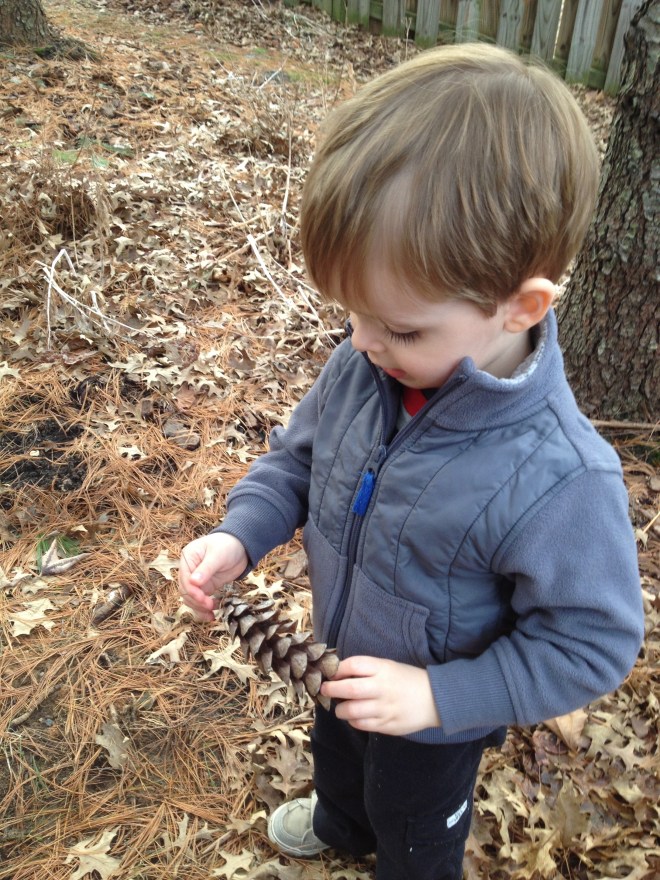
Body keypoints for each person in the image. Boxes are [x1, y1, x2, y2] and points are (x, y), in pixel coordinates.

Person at [178, 44, 644, 880]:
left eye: (400, 328)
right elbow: (295, 462)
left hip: (435, 725)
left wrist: (436, 699)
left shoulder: (561, 476)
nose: (360, 342)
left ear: (521, 306)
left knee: (415, 827)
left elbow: (594, 641)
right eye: (354, 313)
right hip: (338, 661)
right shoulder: (364, 367)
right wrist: (242, 535)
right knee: (342, 765)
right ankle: (341, 825)